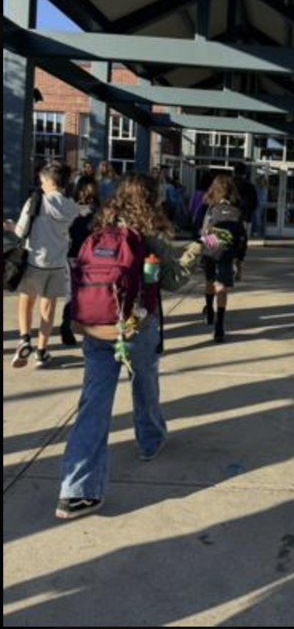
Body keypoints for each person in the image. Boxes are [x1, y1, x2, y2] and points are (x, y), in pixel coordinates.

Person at [56, 173, 207, 521]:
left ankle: (76, 491)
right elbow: (173, 279)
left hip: (94, 325)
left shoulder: (92, 229)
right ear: (152, 200)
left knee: (93, 402)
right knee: (144, 382)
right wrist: (199, 247)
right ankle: (150, 441)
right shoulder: (147, 236)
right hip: (135, 325)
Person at [7, 162, 80, 369]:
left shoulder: (36, 201)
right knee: (47, 310)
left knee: (26, 302)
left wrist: (11, 226)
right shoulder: (71, 206)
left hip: (33, 261)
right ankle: (41, 352)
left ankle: (24, 340)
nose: (40, 183)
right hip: (56, 264)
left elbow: (21, 231)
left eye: (41, 180)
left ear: (49, 180)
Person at [201, 174, 247, 343]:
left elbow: (203, 232)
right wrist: (238, 260)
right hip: (228, 253)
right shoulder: (237, 210)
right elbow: (242, 238)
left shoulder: (211, 209)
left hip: (211, 252)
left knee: (209, 282)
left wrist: (213, 248)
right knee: (222, 287)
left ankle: (209, 309)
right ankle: (219, 326)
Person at [60, 175, 101, 347]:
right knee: (84, 292)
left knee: (73, 292)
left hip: (75, 254)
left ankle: (68, 326)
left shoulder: (71, 207)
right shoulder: (95, 209)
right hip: (85, 255)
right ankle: (71, 326)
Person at [232, 162, 258, 281]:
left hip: (228, 218)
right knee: (242, 243)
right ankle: (238, 264)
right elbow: (255, 204)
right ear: (245, 173)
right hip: (244, 219)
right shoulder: (249, 186)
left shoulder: (228, 184)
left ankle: (229, 264)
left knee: (227, 241)